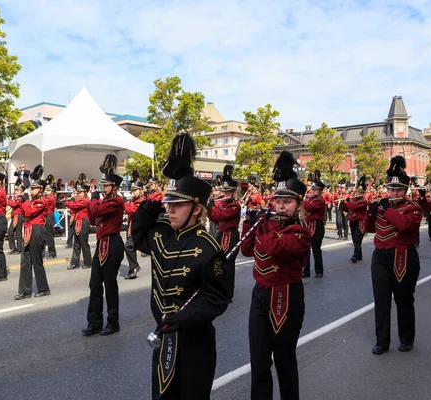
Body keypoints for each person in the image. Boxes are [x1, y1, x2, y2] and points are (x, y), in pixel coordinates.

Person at [131, 133, 229, 400]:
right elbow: (137, 234)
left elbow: (217, 299)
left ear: (197, 209)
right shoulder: (161, 233)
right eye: (168, 204)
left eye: (177, 205)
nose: (169, 210)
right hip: (164, 338)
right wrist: (153, 204)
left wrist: (183, 318)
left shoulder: (210, 248)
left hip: (194, 343)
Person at [240, 151, 311, 400]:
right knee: (258, 360)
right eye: (277, 201)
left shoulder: (300, 232)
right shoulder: (267, 225)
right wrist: (250, 224)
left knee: (283, 359)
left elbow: (275, 249)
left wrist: (263, 226)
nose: (280, 206)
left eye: (287, 202)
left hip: (285, 297)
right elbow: (246, 249)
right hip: (260, 295)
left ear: (298, 206)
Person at [365, 156, 422, 355]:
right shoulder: (383, 206)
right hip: (379, 256)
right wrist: (371, 213)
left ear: (405, 191)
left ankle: (406, 338)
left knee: (403, 299)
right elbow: (369, 229)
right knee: (381, 300)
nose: (393, 193)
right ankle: (382, 341)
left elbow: (404, 225)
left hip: (403, 256)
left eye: (397, 190)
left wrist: (387, 209)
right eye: (391, 189)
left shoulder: (413, 208)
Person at [81, 154, 125, 337]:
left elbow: (96, 210)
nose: (103, 188)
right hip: (101, 243)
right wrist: (94, 202)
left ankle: (113, 322)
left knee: (110, 284)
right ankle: (94, 322)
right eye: (103, 185)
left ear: (114, 186)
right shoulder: (104, 200)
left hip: (112, 242)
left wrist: (93, 200)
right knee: (94, 284)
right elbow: (93, 218)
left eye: (106, 185)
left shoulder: (117, 200)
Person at [14, 178, 51, 300]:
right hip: (29, 230)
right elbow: (23, 211)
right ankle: (25, 291)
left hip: (37, 230)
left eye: (34, 188)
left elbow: (29, 213)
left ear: (41, 189)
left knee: (37, 260)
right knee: (25, 261)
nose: (32, 190)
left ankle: (44, 288)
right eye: (32, 188)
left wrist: (24, 202)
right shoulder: (32, 201)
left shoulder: (41, 201)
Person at [208, 165, 240, 301]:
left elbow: (222, 216)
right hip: (222, 233)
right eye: (224, 191)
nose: (225, 194)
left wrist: (214, 207)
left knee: (228, 264)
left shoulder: (235, 205)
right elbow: (215, 219)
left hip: (230, 235)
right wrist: (209, 209)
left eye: (228, 192)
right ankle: (220, 290)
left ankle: (228, 294)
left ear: (233, 192)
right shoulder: (222, 204)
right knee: (219, 262)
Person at [302, 171, 326, 278]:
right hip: (309, 225)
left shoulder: (320, 200)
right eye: (312, 189)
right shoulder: (311, 199)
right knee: (306, 250)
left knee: (316, 249)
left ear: (319, 191)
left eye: (314, 189)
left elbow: (309, 208)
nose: (312, 191)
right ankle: (306, 271)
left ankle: (319, 270)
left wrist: (303, 199)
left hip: (317, 226)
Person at [65, 182, 92, 270]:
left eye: (80, 192)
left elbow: (75, 205)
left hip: (84, 221)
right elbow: (74, 204)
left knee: (84, 243)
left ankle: (88, 262)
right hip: (78, 221)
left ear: (85, 193)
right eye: (78, 192)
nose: (78, 194)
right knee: (76, 243)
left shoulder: (86, 200)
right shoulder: (79, 199)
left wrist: (68, 203)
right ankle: (74, 263)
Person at [343, 175, 368, 263]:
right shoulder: (352, 199)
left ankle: (355, 255)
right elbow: (347, 209)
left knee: (357, 238)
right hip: (352, 220)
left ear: (363, 193)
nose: (358, 193)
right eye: (357, 192)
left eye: (360, 192)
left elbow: (354, 207)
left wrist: (347, 202)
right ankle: (359, 255)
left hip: (360, 221)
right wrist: (343, 203)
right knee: (354, 239)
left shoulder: (363, 201)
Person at [123, 171, 143, 279]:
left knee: (128, 246)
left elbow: (131, 210)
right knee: (131, 247)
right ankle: (133, 269)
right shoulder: (133, 200)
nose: (134, 192)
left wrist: (124, 203)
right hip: (132, 226)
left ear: (141, 190)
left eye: (135, 190)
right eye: (133, 190)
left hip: (138, 227)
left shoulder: (141, 201)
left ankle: (135, 266)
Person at [8, 184, 26, 254]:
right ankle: (13, 247)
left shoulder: (20, 198)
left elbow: (13, 204)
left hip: (19, 215)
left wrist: (9, 200)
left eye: (18, 190)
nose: (16, 192)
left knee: (18, 232)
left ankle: (19, 248)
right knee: (10, 231)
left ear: (22, 191)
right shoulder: (18, 198)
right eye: (16, 190)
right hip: (15, 215)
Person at [43, 183, 57, 259]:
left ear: (51, 192)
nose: (47, 191)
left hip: (49, 216)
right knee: (43, 236)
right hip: (45, 216)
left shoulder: (50, 198)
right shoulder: (46, 197)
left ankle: (52, 252)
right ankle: (42, 252)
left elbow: (44, 203)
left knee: (49, 236)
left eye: (48, 190)